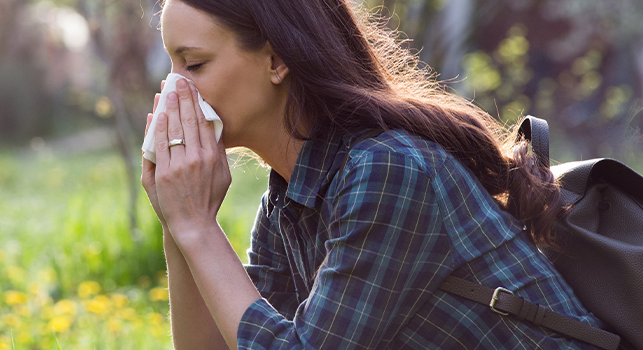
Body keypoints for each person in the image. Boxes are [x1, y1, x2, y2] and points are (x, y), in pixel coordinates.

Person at [139, 0, 601, 348]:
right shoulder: (288, 200)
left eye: (194, 64)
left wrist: (198, 227)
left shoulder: (387, 171)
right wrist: (179, 225)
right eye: (172, 65)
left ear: (276, 60)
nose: (173, 88)